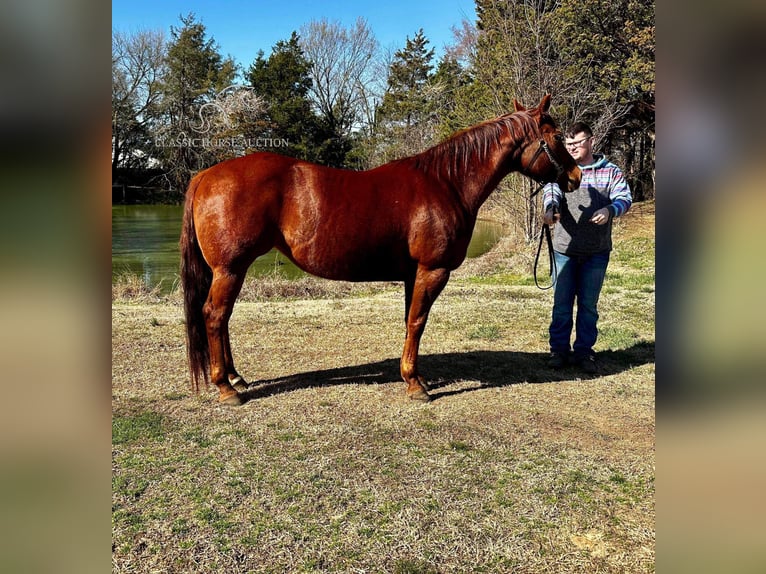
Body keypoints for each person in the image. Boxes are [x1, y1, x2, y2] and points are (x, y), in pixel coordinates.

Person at [542, 122, 632, 373]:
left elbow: (625, 198)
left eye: (577, 143)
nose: (571, 148)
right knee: (561, 305)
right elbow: (551, 194)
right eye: (568, 144)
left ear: (591, 141)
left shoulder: (610, 171)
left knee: (588, 307)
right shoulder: (561, 170)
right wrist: (550, 211)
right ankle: (558, 351)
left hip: (596, 252)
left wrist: (609, 210)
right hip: (563, 251)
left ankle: (584, 352)